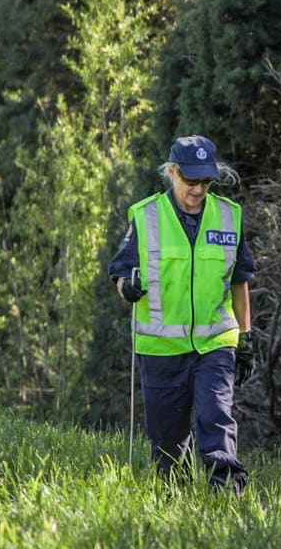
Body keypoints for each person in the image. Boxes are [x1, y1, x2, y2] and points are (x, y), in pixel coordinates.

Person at [108, 135, 256, 495]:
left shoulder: (229, 217)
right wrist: (127, 287)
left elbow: (239, 281)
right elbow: (120, 272)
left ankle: (227, 493)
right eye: (191, 181)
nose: (198, 189)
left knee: (215, 416)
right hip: (160, 348)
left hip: (214, 344)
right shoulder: (145, 216)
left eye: (205, 181)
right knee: (167, 438)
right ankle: (172, 494)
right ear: (172, 172)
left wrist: (246, 337)